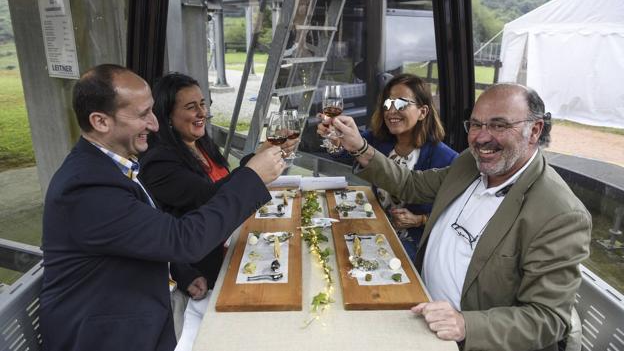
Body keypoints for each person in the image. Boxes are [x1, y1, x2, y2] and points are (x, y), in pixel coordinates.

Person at [321, 83, 591, 351]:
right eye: (475, 125)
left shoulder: (560, 214)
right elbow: (411, 185)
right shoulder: (469, 163)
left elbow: (548, 318)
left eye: (498, 125)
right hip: (415, 300)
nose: (481, 138)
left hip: (464, 340)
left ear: (534, 130)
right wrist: (358, 146)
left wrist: (465, 325)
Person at [40, 64, 285, 351]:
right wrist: (253, 178)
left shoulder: (111, 167)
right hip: (112, 335)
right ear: (100, 121)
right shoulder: (86, 188)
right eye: (143, 114)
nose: (155, 125)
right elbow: (182, 239)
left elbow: (147, 233)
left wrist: (183, 272)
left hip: (150, 307)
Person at [139, 72, 297, 349]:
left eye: (203, 103)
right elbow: (211, 198)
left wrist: (259, 156)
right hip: (206, 262)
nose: (202, 112)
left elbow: (227, 183)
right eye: (191, 107)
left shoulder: (200, 145)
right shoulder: (159, 163)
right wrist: (254, 168)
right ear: (167, 116)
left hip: (230, 242)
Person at [329, 74, 457, 262]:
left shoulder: (446, 158)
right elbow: (347, 152)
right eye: (388, 104)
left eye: (401, 104)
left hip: (412, 242)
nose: (390, 111)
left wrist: (420, 220)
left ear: (422, 112)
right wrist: (336, 140)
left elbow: (456, 214)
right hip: (374, 227)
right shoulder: (378, 140)